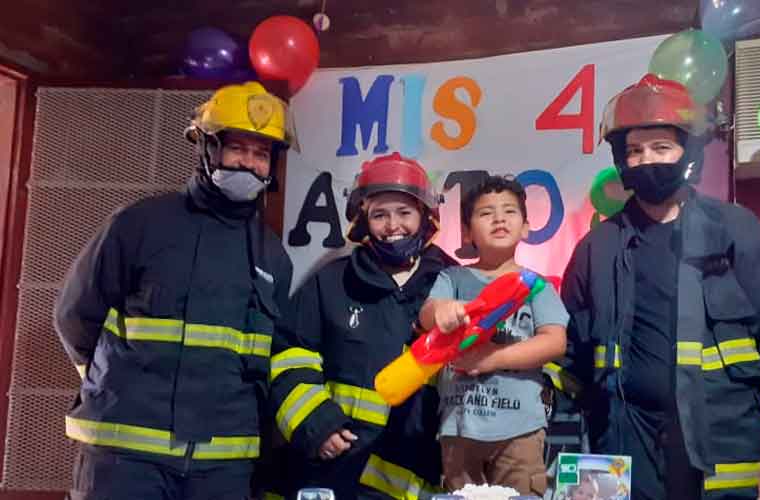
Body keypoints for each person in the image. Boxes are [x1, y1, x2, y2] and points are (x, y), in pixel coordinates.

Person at [560, 74, 760, 500]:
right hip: (622, 455)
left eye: (661, 147)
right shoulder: (597, 248)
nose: (647, 160)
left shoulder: (738, 232)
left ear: (690, 153)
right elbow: (569, 357)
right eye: (634, 150)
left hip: (721, 449)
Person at [54, 81, 294, 499]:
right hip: (125, 459)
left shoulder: (272, 255)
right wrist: (110, 381)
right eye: (238, 148)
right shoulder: (139, 224)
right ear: (207, 147)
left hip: (221, 465)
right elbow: (75, 315)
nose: (250, 164)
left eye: (261, 154)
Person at [261, 152, 454, 500]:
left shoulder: (453, 285)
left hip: (417, 478)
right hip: (334, 471)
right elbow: (287, 355)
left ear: (427, 216)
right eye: (380, 214)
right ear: (362, 220)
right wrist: (314, 423)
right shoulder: (331, 282)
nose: (393, 226)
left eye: (404, 212)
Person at [419, 175, 568, 496]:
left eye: (509, 211)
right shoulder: (452, 277)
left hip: (520, 431)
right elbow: (427, 314)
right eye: (486, 213)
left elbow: (555, 341)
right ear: (468, 232)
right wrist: (441, 310)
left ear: (526, 227)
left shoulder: (535, 285)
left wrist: (491, 358)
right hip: (458, 427)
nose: (498, 218)